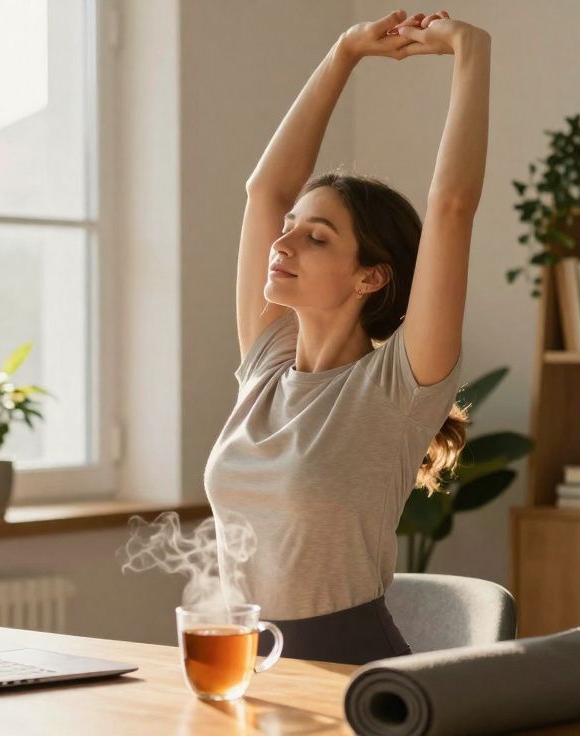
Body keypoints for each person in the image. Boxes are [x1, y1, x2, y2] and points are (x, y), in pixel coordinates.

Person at [203, 8, 490, 666]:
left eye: (316, 235)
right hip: (242, 663)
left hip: (348, 669)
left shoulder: (395, 385)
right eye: (293, 225)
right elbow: (264, 191)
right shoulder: (266, 367)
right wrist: (343, 54)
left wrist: (470, 54)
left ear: (370, 277)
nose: (283, 241)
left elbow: (451, 205)